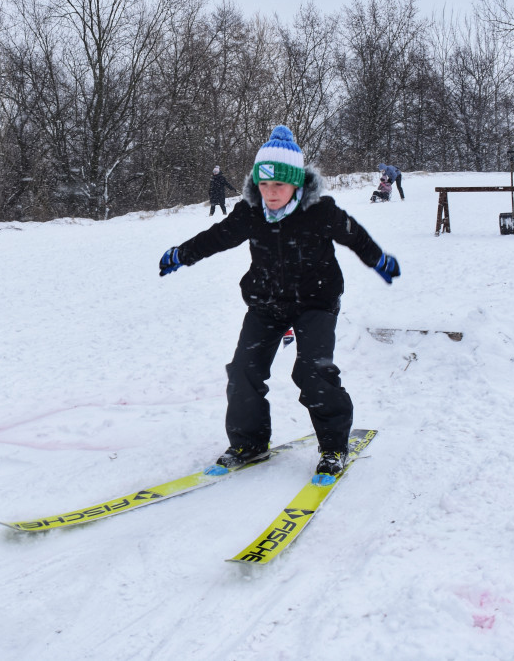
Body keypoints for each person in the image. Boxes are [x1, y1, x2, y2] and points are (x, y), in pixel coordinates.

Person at [158, 126, 400, 479]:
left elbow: (355, 236)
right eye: (264, 185)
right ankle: (250, 443)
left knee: (313, 372)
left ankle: (333, 447)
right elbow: (218, 237)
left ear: (297, 184)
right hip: (266, 303)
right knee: (243, 370)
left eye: (279, 185)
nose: (270, 193)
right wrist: (183, 254)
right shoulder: (250, 212)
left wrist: (378, 259)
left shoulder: (320, 211)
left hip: (316, 302)